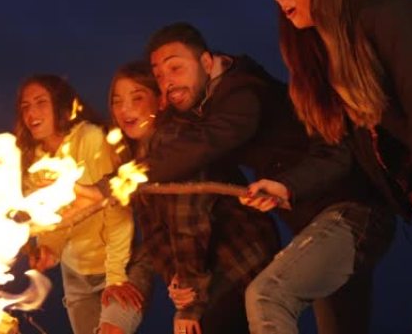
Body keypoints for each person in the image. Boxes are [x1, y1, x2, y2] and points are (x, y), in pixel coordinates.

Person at [240, 0, 412, 333]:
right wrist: (286, 184)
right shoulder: (319, 61)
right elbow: (337, 151)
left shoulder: (386, 17)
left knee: (267, 294)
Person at [81, 23, 283, 334]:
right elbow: (157, 233)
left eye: (137, 97)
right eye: (117, 101)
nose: (126, 109)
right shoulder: (141, 160)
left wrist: (191, 299)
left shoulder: (173, 138)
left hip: (238, 257)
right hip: (212, 266)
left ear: (161, 101)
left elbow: (188, 221)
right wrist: (176, 278)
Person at [15, 74, 137, 334]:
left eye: (40, 103)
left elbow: (117, 207)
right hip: (76, 274)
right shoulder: (33, 161)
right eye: (25, 107)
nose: (32, 113)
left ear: (59, 106)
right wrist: (49, 248)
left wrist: (116, 275)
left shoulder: (91, 139)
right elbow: (55, 220)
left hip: (117, 264)